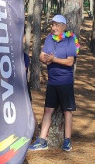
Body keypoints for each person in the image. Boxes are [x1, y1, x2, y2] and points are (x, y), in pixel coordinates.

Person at [29, 14, 79, 152]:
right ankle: (42, 140)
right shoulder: (50, 38)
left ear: (64, 26)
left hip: (65, 81)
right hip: (52, 81)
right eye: (53, 25)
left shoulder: (70, 39)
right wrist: (46, 59)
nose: (54, 27)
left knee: (67, 111)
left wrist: (53, 59)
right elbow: (41, 56)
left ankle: (67, 141)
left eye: (57, 25)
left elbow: (69, 61)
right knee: (47, 110)